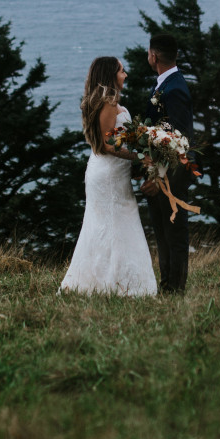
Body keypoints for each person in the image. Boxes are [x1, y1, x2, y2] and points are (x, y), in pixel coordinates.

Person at [60, 56, 157, 296]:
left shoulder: (104, 101)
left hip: (110, 172)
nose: (125, 75)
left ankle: (106, 282)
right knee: (114, 224)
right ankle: (120, 285)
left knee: (107, 224)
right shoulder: (109, 102)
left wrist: (134, 163)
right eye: (122, 71)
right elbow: (106, 145)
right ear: (111, 75)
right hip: (108, 175)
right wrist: (138, 158)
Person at [141, 33, 193, 294]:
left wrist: (158, 177)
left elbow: (179, 142)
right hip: (160, 175)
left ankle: (177, 289)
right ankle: (167, 287)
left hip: (171, 177)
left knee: (174, 235)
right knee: (163, 235)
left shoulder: (174, 89)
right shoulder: (165, 84)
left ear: (154, 56)